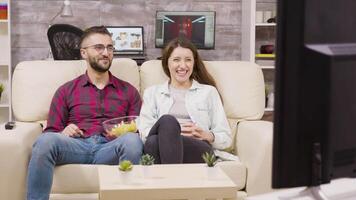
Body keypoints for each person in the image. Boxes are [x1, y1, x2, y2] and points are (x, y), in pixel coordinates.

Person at [27, 26, 143, 200]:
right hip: (76, 146)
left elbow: (137, 129)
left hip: (110, 147)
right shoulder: (66, 90)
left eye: (110, 48)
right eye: (99, 47)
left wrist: (122, 132)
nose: (106, 52)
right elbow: (51, 132)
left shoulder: (129, 91)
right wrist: (64, 132)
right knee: (45, 141)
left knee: (132, 141)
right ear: (83, 53)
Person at [138, 37, 232, 164]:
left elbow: (226, 138)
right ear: (167, 63)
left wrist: (206, 135)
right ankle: (176, 180)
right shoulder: (152, 93)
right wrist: (170, 133)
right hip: (159, 145)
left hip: (198, 148)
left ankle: (168, 179)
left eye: (188, 60)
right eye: (176, 60)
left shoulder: (208, 92)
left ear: (194, 63)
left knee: (159, 136)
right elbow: (144, 134)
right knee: (166, 124)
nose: (183, 65)